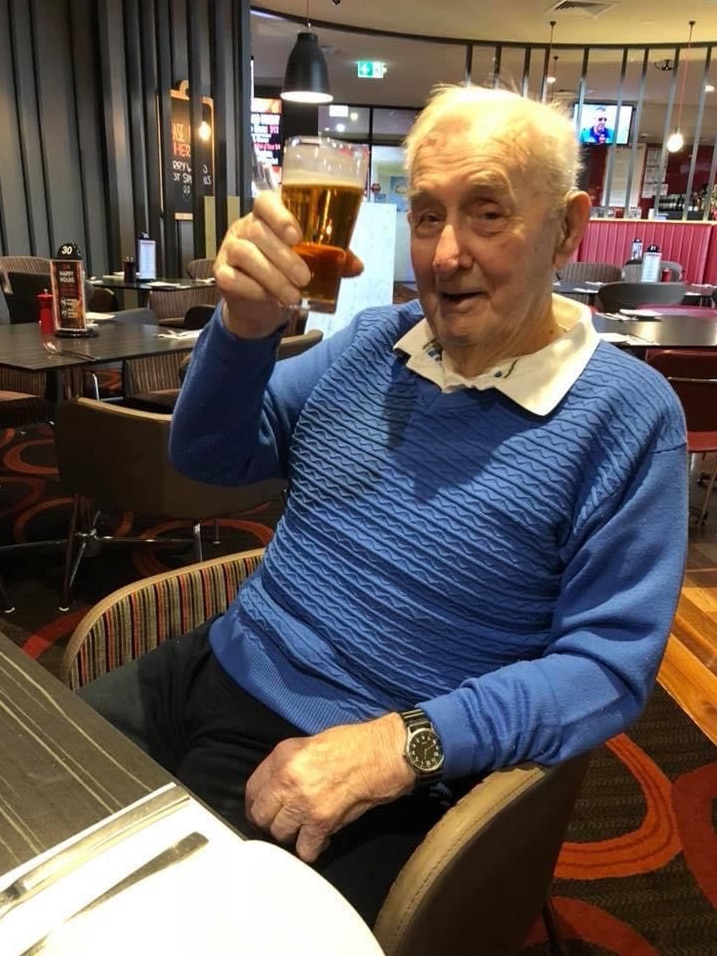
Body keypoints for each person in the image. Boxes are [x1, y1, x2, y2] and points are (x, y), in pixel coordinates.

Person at [79, 85, 688, 924]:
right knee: (31, 812)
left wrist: (404, 744)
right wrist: (243, 330)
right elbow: (208, 455)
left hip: (359, 763)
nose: (444, 256)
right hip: (208, 666)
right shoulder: (374, 343)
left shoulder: (625, 416)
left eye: (486, 214)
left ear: (569, 227)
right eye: (428, 216)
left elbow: (606, 670)